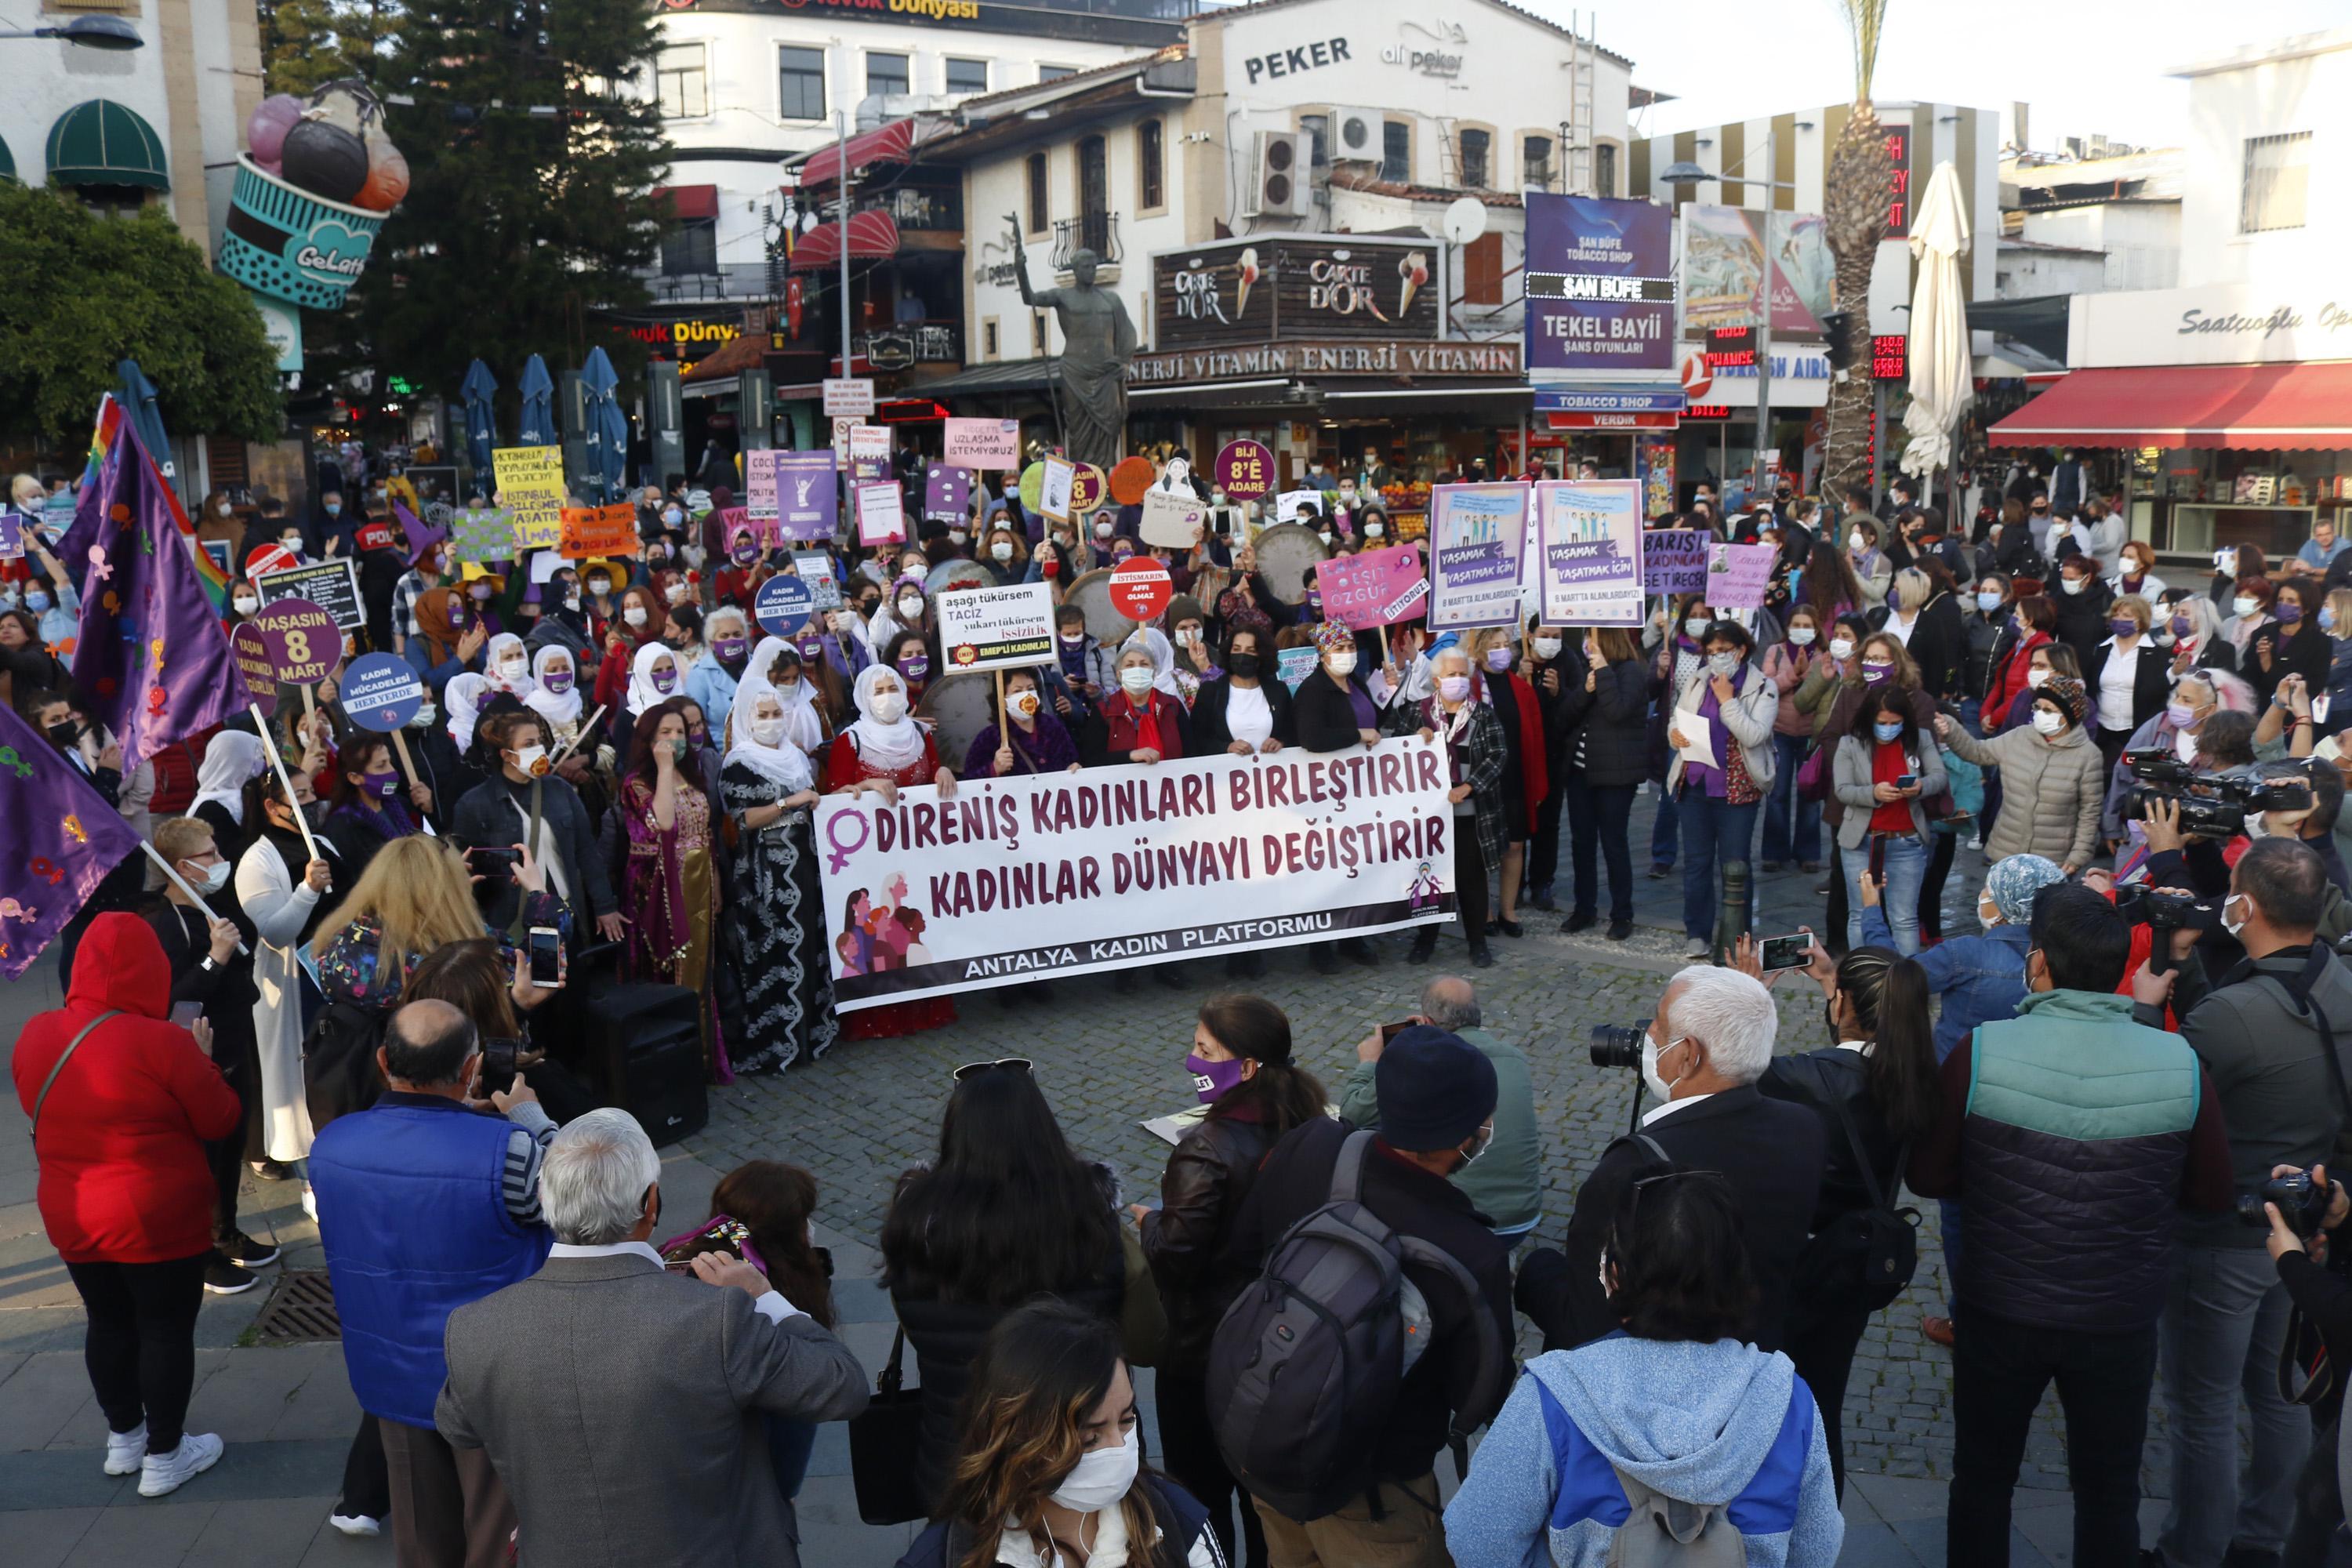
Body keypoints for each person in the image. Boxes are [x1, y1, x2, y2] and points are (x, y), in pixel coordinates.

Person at [1908, 885, 2234, 1568]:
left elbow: (1930, 1178)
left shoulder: (1983, 1050)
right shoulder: (2179, 1061)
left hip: (2000, 1307)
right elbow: (2208, 1194)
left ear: (2039, 964)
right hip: (2118, 1317)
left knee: (1984, 1479)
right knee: (2109, 1492)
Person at [434, 1110, 867, 1567]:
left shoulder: (475, 1327)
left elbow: (457, 1426)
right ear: (652, 1203)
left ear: (545, 1198)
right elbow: (842, 1387)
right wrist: (767, 1298)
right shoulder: (715, 1318)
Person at [2129, 839, 2352, 1568]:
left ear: (2245, 906)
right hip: (2303, 1227)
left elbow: (2159, 1098)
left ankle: (2191, 1551)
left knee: (2203, 1407)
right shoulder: (2339, 984)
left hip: (2220, 1236)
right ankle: (2264, 1538)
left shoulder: (2233, 1015)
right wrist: (2193, 967)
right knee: (2280, 1394)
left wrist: (2143, 1013)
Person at [1443, 1174, 1845, 1568]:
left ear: (1614, 1275)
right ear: (1737, 1277)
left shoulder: (1554, 1396)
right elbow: (1816, 1550)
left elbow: (1478, 1540)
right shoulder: (1788, 1401)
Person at [1222, 1026, 1511, 1567]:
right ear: (1463, 1139)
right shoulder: (1471, 1250)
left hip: (1274, 1447)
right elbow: (1482, 1393)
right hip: (1378, 1493)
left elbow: (1243, 1254)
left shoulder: (1309, 1144)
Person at [305, 1000, 554, 1568]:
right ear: (470, 1070)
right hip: (493, 1377)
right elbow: (592, 1197)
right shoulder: (512, 1153)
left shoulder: (332, 1147)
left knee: (421, 1534)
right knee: (499, 1535)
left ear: (384, 1060)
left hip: (388, 1374)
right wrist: (530, 1119)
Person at [13, 913, 243, 1497]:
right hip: (158, 1216)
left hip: (73, 1210)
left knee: (107, 1323)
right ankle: (166, 1455)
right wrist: (204, 1059)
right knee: (165, 1329)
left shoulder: (38, 1032)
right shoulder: (166, 1040)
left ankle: (124, 1439)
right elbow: (220, 1118)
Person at [1742, 938, 1941, 1497]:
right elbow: (1866, 1040)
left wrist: (1754, 998)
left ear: (1848, 1006)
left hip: (1796, 1262)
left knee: (1769, 1400)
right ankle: (1819, 1523)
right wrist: (1836, 984)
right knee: (1824, 1398)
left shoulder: (1812, 1078)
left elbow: (1737, 1069)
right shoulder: (1918, 1074)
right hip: (1857, 1263)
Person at [880, 1063, 1126, 1514]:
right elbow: (1113, 1309)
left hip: (963, 1454)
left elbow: (914, 1319)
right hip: (1081, 1447)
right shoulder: (1088, 1216)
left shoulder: (917, 1225)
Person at [1136, 994, 1326, 1567]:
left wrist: (1149, 1225)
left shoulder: (1207, 1147)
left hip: (1203, 1353)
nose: (1191, 1060)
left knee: (1200, 1497)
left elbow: (1176, 1253)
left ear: (1246, 1067)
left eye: (1203, 1049)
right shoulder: (1311, 1124)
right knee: (1264, 1500)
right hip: (1285, 1345)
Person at [898, 1300, 1220, 1568]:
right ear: (1021, 1438)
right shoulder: (946, 1555)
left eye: (1126, 1421)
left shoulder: (1173, 1516)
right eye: (1090, 1438)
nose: (1120, 1448)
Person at [145, 818, 278, 1292]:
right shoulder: (164, 925)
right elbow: (174, 1001)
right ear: (183, 867)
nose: (220, 862)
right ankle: (199, 1255)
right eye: (210, 856)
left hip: (236, 1044)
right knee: (201, 1159)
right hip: (199, 1056)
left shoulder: (214, 906)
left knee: (229, 1149)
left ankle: (226, 1235)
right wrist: (213, 957)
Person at [1338, 976, 1544, 1240]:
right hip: (1523, 1219)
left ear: (1429, 1021)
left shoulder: (1422, 1069)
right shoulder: (1515, 1057)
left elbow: (1352, 1115)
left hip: (1460, 1225)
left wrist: (1370, 1063)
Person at [719, 645, 837, 1074]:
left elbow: (815, 800)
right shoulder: (740, 762)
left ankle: (808, 1036)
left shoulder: (793, 757)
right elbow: (743, 818)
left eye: (776, 714)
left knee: (807, 946)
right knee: (776, 953)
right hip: (765, 875)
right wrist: (789, 803)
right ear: (747, 718)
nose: (771, 722)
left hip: (804, 865)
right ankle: (776, 1043)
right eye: (762, 715)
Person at [614, 696, 727, 1077]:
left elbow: (705, 833)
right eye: (666, 732)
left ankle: (705, 1057)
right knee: (669, 970)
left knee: (700, 969)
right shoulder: (637, 783)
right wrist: (664, 767)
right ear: (648, 738)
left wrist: (715, 882)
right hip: (658, 889)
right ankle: (673, 1065)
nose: (676, 739)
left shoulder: (692, 774)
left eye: (680, 732)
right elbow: (663, 822)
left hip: (698, 883)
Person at [234, 766, 335, 1178]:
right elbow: (274, 931)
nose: (308, 803)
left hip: (337, 980)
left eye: (311, 793)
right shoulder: (257, 861)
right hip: (296, 986)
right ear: (272, 806)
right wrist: (307, 890)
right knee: (302, 1080)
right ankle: (312, 1178)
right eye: (298, 796)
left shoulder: (322, 841)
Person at [450, 709, 622, 942]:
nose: (539, 750)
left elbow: (587, 852)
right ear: (507, 755)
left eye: (540, 742)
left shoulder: (559, 791)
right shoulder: (474, 804)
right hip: (516, 926)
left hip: (566, 916)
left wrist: (605, 906)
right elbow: (467, 872)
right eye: (529, 744)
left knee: (570, 977)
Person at [1663, 619, 1777, 960]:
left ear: (1741, 651)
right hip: (1695, 782)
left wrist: (1729, 701)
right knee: (1697, 863)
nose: (1716, 658)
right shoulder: (1698, 680)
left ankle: (1739, 935)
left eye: (1723, 651)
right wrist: (1675, 734)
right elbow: (1676, 718)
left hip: (1736, 789)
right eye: (1711, 652)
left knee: (1736, 863)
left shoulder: (1762, 686)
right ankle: (1697, 932)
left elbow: (1755, 735)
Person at [1390, 643, 1504, 969]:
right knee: (1430, 878)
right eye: (1451, 675)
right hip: (1430, 818)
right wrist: (1415, 735)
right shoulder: (1418, 711)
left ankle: (1477, 941)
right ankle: (1425, 940)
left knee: (1472, 880)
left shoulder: (1483, 714)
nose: (1459, 680)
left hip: (1471, 815)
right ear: (1437, 680)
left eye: (1462, 674)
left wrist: (1470, 786)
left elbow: (1498, 756)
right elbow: (1395, 750)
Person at [1934, 673, 2102, 874]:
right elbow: (1977, 752)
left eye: (2049, 710)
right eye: (2037, 708)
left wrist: (2079, 854)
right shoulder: (2020, 736)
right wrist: (1951, 730)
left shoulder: (2088, 755)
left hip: (2053, 862)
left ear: (2070, 714)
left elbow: (2090, 811)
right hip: (2006, 853)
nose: (2040, 714)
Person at [1832, 688, 1947, 956]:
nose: (1888, 729)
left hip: (1906, 840)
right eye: (1882, 723)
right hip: (1861, 840)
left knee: (1904, 919)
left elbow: (1939, 777)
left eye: (1895, 723)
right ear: (1869, 719)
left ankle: (1904, 983)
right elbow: (1843, 789)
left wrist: (1920, 786)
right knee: (1860, 913)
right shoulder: (1850, 744)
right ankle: (1861, 978)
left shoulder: (1920, 739)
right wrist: (1873, 792)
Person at [1560, 626, 1648, 941]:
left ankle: (1622, 913)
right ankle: (1584, 908)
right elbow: (1566, 715)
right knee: (1582, 843)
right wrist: (1585, 689)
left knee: (1614, 843)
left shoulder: (1631, 672)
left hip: (1616, 775)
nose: (1586, 645)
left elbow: (1617, 710)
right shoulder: (1590, 671)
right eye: (1586, 639)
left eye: (1592, 639)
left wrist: (1605, 674)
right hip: (1582, 773)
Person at [1761, 605, 1827, 873]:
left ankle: (1808, 852)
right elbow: (1766, 687)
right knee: (1777, 794)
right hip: (1781, 731)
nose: (1801, 630)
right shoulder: (1775, 652)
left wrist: (1809, 674)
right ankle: (1774, 852)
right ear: (1788, 627)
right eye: (1796, 624)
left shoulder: (1823, 656)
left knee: (1809, 794)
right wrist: (1794, 674)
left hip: (1811, 734)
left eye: (1806, 624)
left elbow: (1825, 689)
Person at [2085, 593, 2172, 775]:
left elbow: (2158, 693)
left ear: (2140, 621)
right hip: (2102, 731)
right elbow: (2092, 687)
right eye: (2116, 615)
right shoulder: (2101, 649)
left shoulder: (2154, 654)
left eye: (2126, 616)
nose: (2119, 620)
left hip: (2136, 732)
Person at [1187, 626, 1294, 760]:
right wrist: (1226, 748)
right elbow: (1197, 740)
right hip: (1226, 776)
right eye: (1237, 649)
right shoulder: (1211, 691)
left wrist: (1281, 743)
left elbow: (1292, 733)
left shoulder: (1279, 690)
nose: (1242, 656)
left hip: (1274, 775)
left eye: (1251, 650)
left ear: (1262, 656)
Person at [963, 664, 1083, 778]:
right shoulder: (989, 737)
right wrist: (994, 768)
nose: (1026, 695)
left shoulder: (1053, 727)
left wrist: (1074, 769)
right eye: (1018, 691)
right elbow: (970, 780)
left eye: (1030, 689)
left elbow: (1072, 759)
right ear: (1002, 699)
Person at [1091, 638, 1191, 768]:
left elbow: (1191, 754)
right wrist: (1130, 756)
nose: (1137, 670)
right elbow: (1092, 760)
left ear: (1154, 673)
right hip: (1124, 786)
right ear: (1119, 674)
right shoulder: (1104, 711)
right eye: (1130, 665)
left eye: (1144, 664)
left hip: (1171, 785)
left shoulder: (1172, 706)